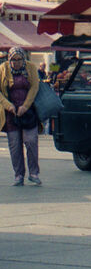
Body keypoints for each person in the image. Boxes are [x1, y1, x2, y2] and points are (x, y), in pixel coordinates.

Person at [0, 47, 42, 186]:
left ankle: (34, 173)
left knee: (31, 141)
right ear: (9, 59)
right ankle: (18, 175)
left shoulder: (30, 67)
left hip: (28, 112)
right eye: (13, 60)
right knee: (15, 145)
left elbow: (35, 87)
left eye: (19, 59)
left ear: (23, 59)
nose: (16, 62)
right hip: (11, 113)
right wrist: (8, 106)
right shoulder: (3, 69)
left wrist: (25, 106)